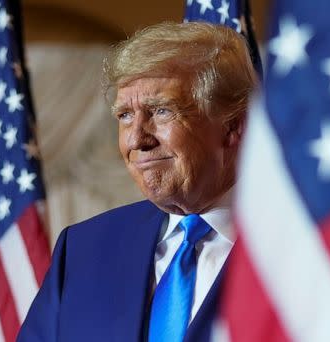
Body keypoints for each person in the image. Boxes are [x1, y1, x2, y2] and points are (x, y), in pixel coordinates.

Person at [17, 21, 258, 342]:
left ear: (232, 126)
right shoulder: (83, 250)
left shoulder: (304, 246)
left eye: (161, 111)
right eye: (125, 116)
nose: (136, 140)